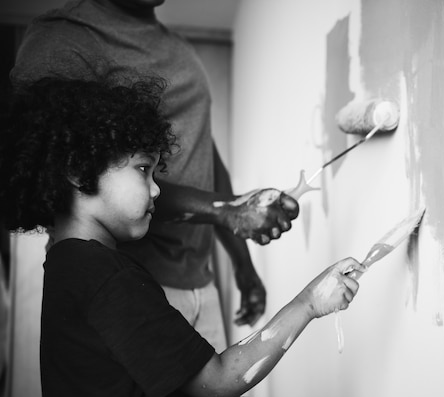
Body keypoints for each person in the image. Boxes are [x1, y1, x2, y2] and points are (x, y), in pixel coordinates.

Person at [0, 75, 363, 397]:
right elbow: (219, 380)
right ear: (79, 171)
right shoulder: (107, 278)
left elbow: (126, 392)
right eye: (143, 169)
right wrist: (309, 302)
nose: (157, 189)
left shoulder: (69, 266)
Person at [10, 0, 297, 357]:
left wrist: (243, 263)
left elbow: (204, 153)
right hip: (123, 283)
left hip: (199, 280)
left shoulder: (179, 48)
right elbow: (50, 164)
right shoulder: (64, 36)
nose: (153, 182)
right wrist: (224, 209)